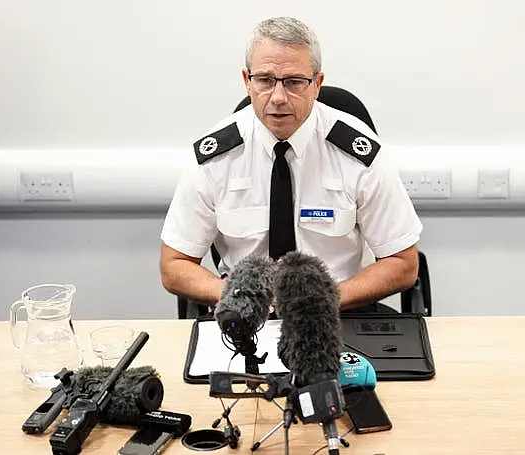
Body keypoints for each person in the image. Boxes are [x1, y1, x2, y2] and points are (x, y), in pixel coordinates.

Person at [160, 16, 422, 312]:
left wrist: (323, 300)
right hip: (245, 313)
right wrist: (233, 295)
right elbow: (174, 264)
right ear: (247, 81)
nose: (278, 98)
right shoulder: (215, 159)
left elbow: (402, 263)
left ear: (317, 84)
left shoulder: (359, 155)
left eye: (294, 82)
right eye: (265, 80)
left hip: (338, 310)